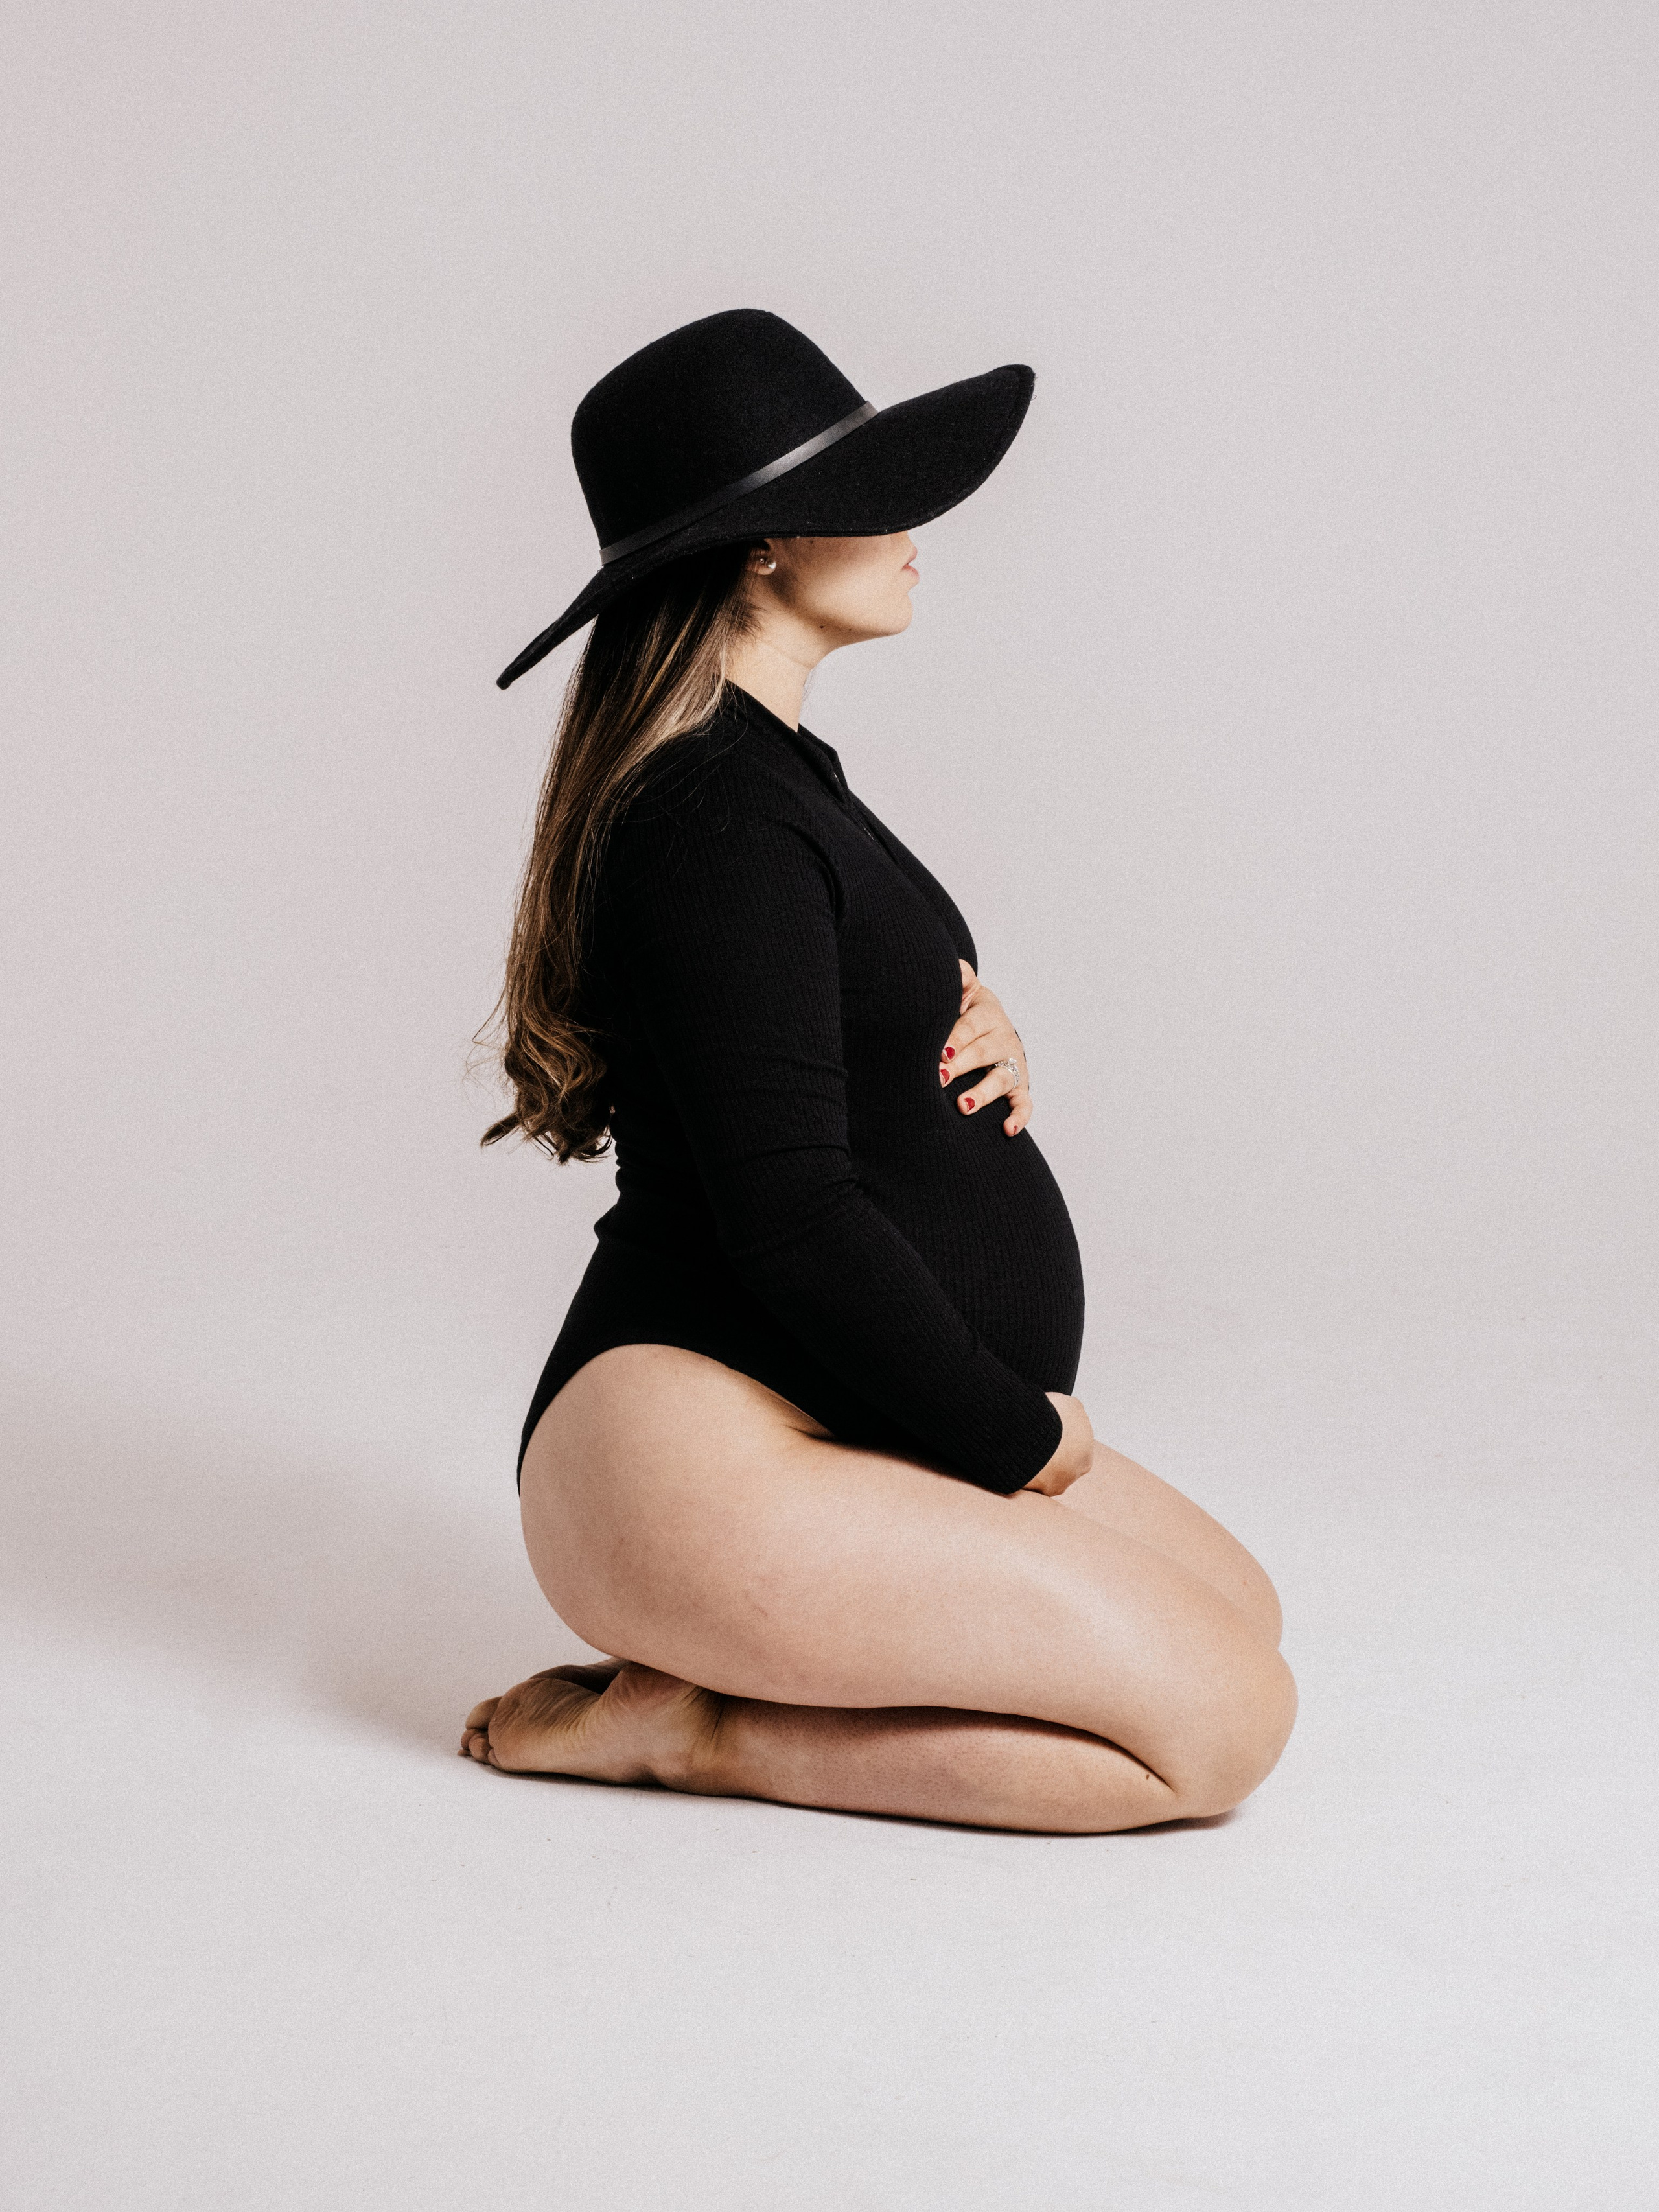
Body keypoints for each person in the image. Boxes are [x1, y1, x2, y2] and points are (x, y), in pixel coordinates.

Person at [460, 310, 1295, 1832]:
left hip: (828, 1404)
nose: (912, 527)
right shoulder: (714, 816)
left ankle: (719, 1689)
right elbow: (786, 1216)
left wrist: (964, 1053)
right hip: (691, 1444)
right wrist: (1013, 1433)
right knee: (1222, 1726)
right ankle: (698, 1732)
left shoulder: (772, 778)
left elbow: (811, 1053)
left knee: (1242, 1616)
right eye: (870, 489)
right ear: (766, 546)